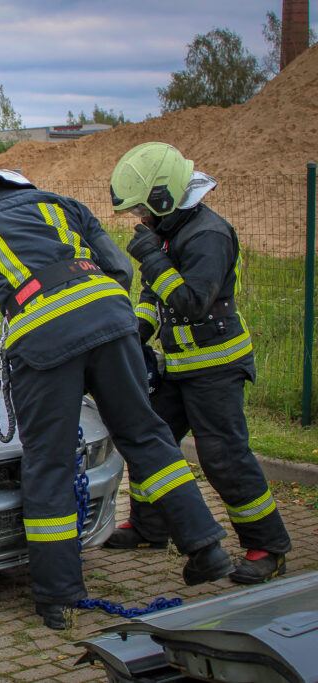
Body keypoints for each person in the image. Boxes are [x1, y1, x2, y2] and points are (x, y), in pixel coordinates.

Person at [0, 169, 234, 629]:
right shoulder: (62, 204)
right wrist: (102, 324)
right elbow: (120, 269)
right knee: (144, 435)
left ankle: (59, 597)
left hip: (42, 339)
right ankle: (206, 546)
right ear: (24, 187)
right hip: (110, 319)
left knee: (51, 461)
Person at [106, 142, 291, 584]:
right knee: (153, 441)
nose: (141, 220)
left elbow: (190, 302)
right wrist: (138, 335)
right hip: (181, 367)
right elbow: (156, 296)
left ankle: (268, 544)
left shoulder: (208, 235)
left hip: (217, 367)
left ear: (165, 198)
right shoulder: (172, 233)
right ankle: (151, 529)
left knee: (223, 457)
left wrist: (151, 257)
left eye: (143, 211)